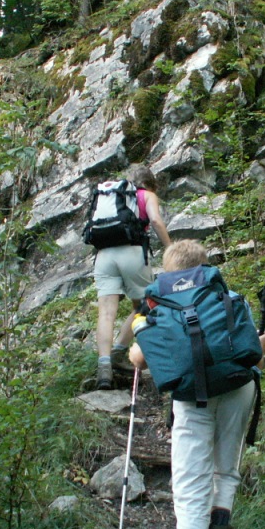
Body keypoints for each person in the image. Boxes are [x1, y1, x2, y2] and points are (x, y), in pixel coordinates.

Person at [128, 239, 265, 529]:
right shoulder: (228, 296)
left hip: (192, 400)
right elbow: (257, 348)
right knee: (225, 470)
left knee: (190, 482)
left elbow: (141, 357)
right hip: (238, 389)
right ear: (204, 266)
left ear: (168, 271)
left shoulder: (158, 307)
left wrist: (135, 349)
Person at [92, 164, 171, 390]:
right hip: (132, 252)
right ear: (150, 182)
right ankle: (119, 352)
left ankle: (104, 367)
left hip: (104, 255)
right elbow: (155, 221)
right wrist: (170, 248)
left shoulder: (113, 197)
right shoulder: (146, 195)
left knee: (106, 312)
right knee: (144, 305)